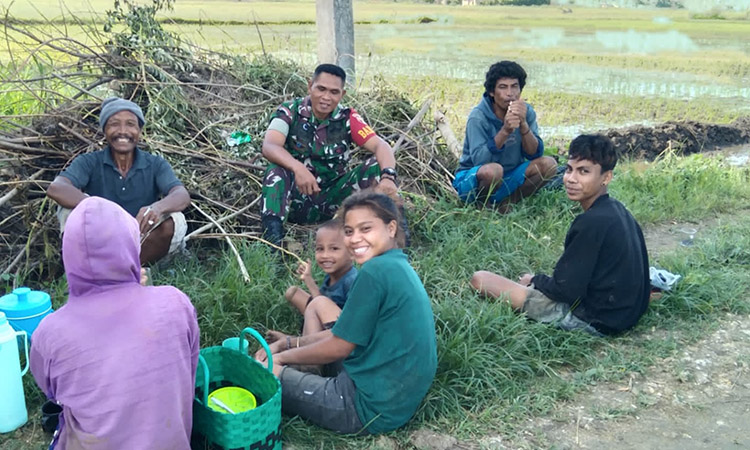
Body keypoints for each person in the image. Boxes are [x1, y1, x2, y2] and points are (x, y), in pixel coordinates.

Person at [256, 191, 437, 434]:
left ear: (391, 228)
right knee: (305, 331)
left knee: (264, 371)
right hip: (393, 399)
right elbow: (342, 335)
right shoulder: (396, 263)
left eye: (366, 229)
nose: (354, 239)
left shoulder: (374, 272)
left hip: (365, 409)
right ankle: (306, 369)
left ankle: (297, 373)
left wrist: (281, 358)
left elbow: (339, 346)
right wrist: (287, 344)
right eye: (349, 231)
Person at [30, 196, 200, 449]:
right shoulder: (175, 303)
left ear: (69, 253)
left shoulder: (50, 333)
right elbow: (187, 370)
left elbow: (53, 393)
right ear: (131, 245)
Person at [470, 134, 650, 336]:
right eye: (569, 169)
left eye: (584, 172)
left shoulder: (590, 222)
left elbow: (564, 291)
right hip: (628, 313)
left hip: (598, 319)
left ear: (606, 177)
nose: (571, 179)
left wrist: (535, 280)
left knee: (481, 279)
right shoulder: (617, 209)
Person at [260, 63, 400, 246]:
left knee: (377, 167)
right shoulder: (289, 111)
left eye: (334, 92)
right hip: (295, 198)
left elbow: (381, 146)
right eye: (321, 89)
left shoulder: (347, 118)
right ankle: (272, 247)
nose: (326, 97)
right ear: (310, 86)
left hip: (334, 199)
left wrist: (388, 177)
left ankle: (398, 245)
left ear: (342, 95)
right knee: (276, 172)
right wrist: (297, 167)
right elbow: (270, 145)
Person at [46, 97, 191, 265]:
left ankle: (131, 272)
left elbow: (181, 195)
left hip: (141, 242)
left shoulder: (155, 164)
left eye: (130, 124)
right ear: (104, 130)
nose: (123, 131)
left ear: (140, 131)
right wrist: (99, 208)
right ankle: (95, 271)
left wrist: (157, 208)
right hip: (102, 240)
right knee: (67, 211)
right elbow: (56, 188)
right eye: (114, 124)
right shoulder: (89, 162)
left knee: (176, 218)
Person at [454, 61, 557, 208]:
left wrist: (523, 125)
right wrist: (505, 131)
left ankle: (507, 203)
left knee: (549, 164)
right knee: (494, 170)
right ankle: (482, 206)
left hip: (510, 175)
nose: (510, 93)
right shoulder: (478, 117)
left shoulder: (526, 112)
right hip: (474, 179)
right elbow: (479, 160)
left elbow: (534, 154)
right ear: (491, 92)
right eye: (503, 87)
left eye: (514, 86)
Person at [284, 219, 357, 318]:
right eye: (320, 249)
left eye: (334, 249)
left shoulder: (352, 281)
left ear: (352, 252)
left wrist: (310, 282)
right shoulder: (331, 275)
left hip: (341, 328)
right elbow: (320, 300)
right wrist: (307, 277)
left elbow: (353, 321)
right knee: (293, 292)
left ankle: (312, 331)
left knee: (319, 303)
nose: (325, 255)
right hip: (325, 315)